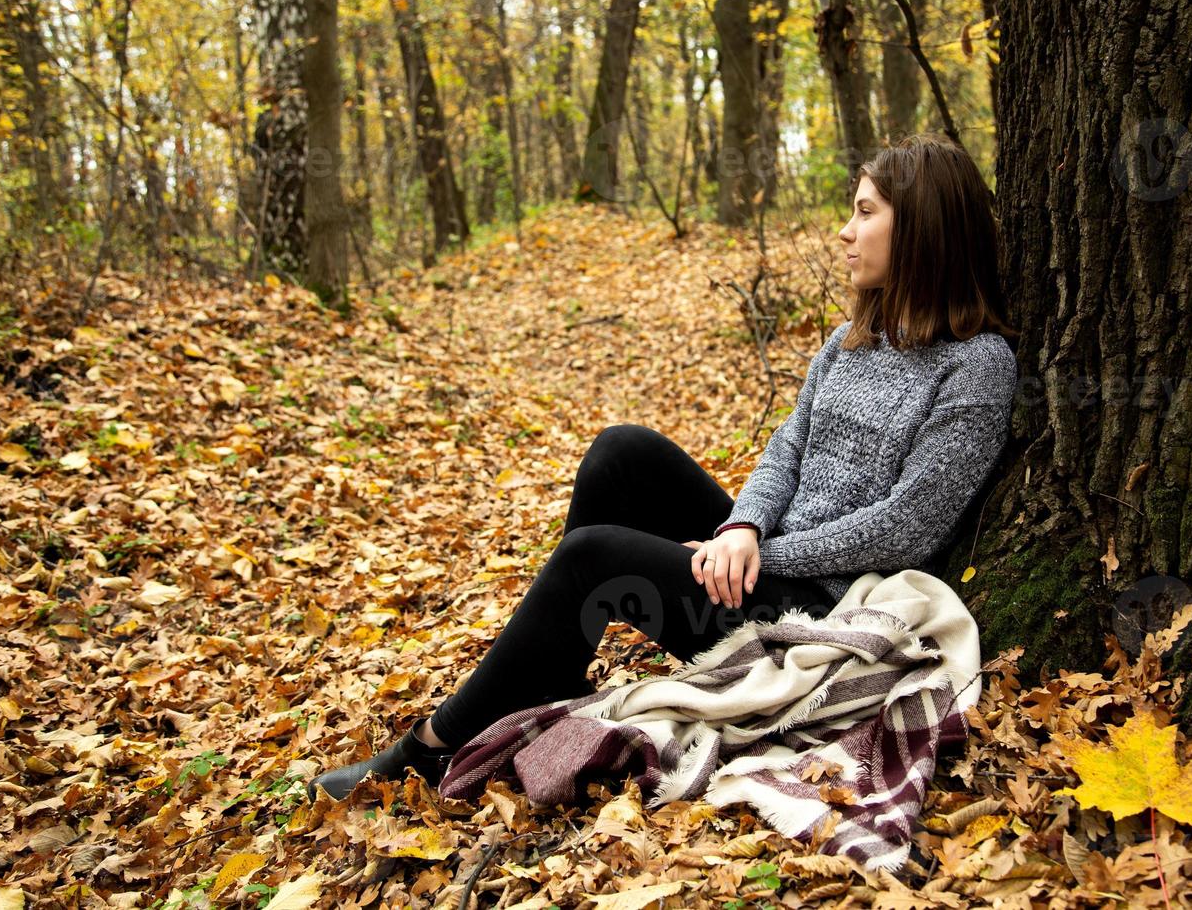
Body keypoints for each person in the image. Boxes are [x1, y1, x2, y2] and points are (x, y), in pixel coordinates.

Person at [306, 132, 1019, 803]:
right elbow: (787, 447)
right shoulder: (850, 340)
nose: (844, 231)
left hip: (810, 613)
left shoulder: (976, 364)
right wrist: (741, 526)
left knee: (592, 557)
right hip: (759, 566)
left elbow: (908, 527)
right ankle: (548, 673)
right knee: (622, 452)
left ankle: (429, 749)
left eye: (865, 212)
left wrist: (760, 553)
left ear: (922, 228)